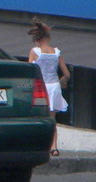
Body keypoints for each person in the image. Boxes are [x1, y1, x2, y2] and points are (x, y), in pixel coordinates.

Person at [27, 17, 71, 156]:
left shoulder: (35, 52)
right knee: (52, 119)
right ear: (48, 38)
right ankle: (54, 147)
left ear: (38, 40)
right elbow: (67, 74)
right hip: (54, 87)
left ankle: (38, 145)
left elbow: (30, 71)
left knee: (38, 116)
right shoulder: (57, 52)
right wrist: (62, 81)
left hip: (41, 87)